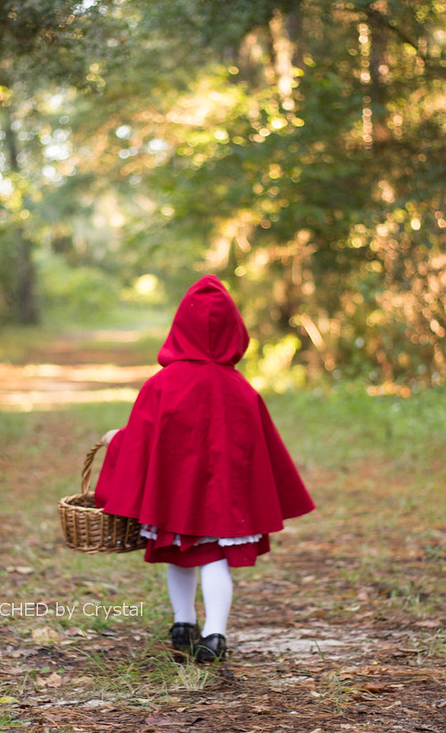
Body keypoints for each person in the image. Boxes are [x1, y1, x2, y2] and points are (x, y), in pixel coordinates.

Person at [94, 274, 315, 662]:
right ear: (235, 332)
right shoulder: (241, 389)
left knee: (178, 554)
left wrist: (117, 440)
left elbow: (143, 439)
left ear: (180, 328)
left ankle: (183, 623)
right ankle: (213, 634)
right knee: (214, 558)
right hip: (221, 501)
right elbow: (259, 451)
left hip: (175, 497)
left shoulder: (162, 386)